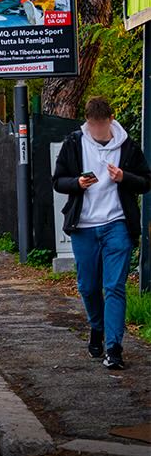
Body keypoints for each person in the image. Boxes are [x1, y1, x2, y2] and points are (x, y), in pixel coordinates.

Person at [53, 97, 151, 370]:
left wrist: (124, 177)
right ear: (87, 122)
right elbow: (58, 181)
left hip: (117, 224)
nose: (96, 130)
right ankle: (97, 327)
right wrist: (77, 183)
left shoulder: (128, 147)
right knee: (87, 286)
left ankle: (114, 348)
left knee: (114, 287)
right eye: (92, 125)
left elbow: (145, 182)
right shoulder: (74, 143)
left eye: (101, 125)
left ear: (110, 120)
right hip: (84, 227)